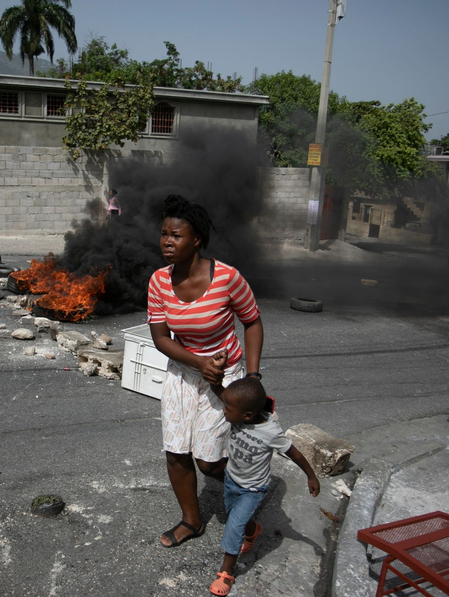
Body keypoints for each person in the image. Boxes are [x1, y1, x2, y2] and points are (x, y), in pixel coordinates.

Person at [147, 194, 264, 548]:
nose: (167, 242)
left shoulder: (227, 278)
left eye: (176, 235)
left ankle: (247, 494)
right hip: (184, 372)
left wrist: (252, 378)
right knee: (176, 452)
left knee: (208, 462)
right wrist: (198, 362)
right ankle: (192, 521)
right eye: (164, 234)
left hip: (225, 376)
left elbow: (253, 321)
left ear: (196, 239)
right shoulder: (158, 281)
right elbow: (159, 337)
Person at [207, 372, 319, 596]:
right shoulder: (239, 410)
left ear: (247, 415)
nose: (224, 410)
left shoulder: (271, 432)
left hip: (253, 489)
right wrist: (214, 379)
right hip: (231, 480)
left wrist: (311, 475)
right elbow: (222, 393)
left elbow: (294, 454)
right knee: (236, 519)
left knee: (234, 526)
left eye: (228, 409)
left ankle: (226, 571)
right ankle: (253, 530)